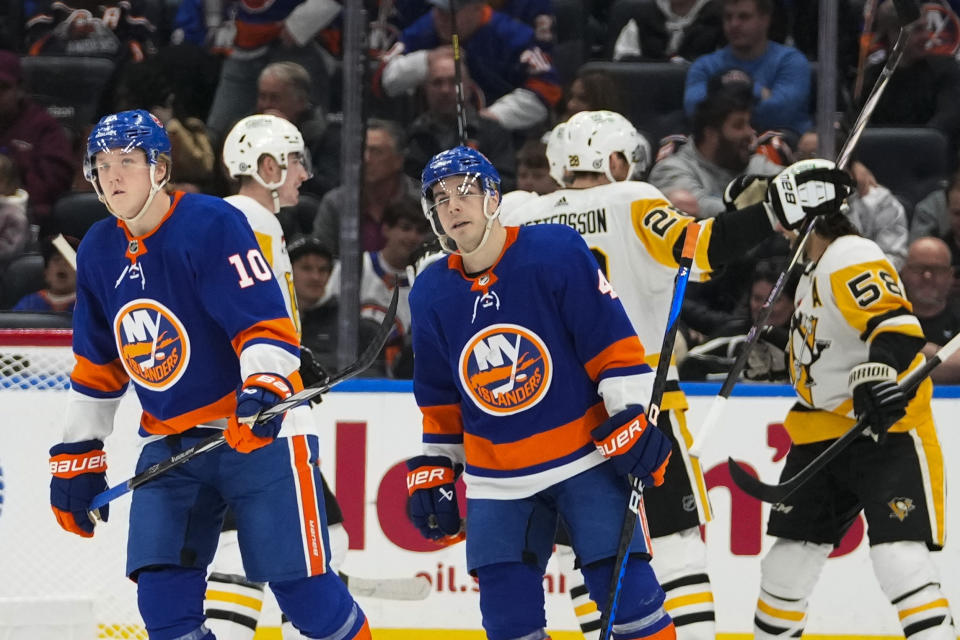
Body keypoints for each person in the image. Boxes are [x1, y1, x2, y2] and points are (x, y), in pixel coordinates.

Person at [499, 110, 852, 640]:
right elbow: (700, 249)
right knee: (673, 541)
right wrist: (779, 209)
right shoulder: (632, 199)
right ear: (616, 160)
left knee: (587, 552)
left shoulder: (517, 215)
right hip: (637, 402)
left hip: (551, 416)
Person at [47, 109, 371, 640]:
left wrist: (263, 391)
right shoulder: (100, 249)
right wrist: (78, 455)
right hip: (170, 446)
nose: (113, 175)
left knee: (305, 595)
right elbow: (97, 366)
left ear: (160, 168)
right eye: (102, 165)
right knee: (163, 603)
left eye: (127, 161)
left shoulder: (210, 222)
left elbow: (262, 322)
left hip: (255, 435)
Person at [407, 145, 676, 640]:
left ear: (495, 198)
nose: (453, 205)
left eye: (465, 191)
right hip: (496, 479)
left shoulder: (553, 250)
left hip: (583, 456)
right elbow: (442, 396)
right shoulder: (429, 292)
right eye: (440, 198)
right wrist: (437, 464)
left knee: (632, 603)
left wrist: (631, 414)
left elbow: (610, 343)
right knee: (509, 624)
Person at [750, 208, 955, 640]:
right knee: (787, 564)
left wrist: (880, 373)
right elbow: (827, 345)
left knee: (898, 558)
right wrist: (782, 350)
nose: (784, 233)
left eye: (789, 223)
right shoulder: (813, 268)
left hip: (886, 431)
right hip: (821, 431)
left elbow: (897, 327)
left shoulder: (852, 254)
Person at [377, 0, 562, 131]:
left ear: (477, 8)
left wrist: (489, 120)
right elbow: (382, 78)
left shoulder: (514, 37)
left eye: (451, 13)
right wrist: (425, 60)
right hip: (429, 136)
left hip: (502, 143)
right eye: (438, 9)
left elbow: (547, 89)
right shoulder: (425, 28)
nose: (441, 18)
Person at [683, 0, 812, 136]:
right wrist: (757, 91)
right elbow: (695, 110)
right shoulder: (704, 65)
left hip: (781, 145)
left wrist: (722, 90)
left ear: (765, 19)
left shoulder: (790, 61)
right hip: (720, 148)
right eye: (728, 17)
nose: (734, 24)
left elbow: (779, 113)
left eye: (744, 17)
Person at [648, 89, 781, 218]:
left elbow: (794, 185)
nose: (749, 133)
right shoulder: (671, 170)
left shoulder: (757, 165)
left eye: (749, 124)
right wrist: (771, 213)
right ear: (710, 134)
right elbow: (700, 207)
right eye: (738, 126)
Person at [312, 119, 420, 255]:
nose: (366, 159)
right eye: (361, 150)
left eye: (376, 152)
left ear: (398, 160)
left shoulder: (422, 201)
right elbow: (320, 259)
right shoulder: (336, 203)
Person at [900, 236, 960, 384]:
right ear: (904, 272)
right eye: (919, 268)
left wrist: (910, 349)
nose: (927, 276)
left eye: (937, 270)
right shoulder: (886, 315)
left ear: (950, 275)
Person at [13, 235, 77, 313]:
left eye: (69, 260)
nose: (62, 264)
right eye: (56, 259)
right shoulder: (29, 303)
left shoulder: (87, 304)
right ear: (46, 273)